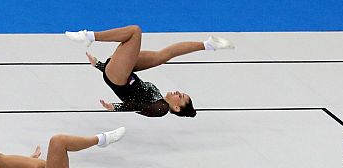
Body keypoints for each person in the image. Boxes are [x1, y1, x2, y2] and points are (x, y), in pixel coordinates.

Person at [65, 25, 234, 117]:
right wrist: (99, 65)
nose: (178, 92)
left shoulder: (161, 108)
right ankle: (208, 45)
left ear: (176, 107)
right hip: (122, 73)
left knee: (135, 32)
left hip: (118, 78)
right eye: (182, 93)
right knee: (163, 56)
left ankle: (89, 36)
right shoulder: (159, 97)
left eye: (181, 97)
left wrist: (116, 107)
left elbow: (138, 107)